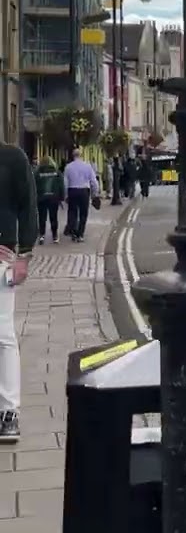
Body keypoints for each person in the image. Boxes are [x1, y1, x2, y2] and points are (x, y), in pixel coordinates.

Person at [0, 140, 37, 443]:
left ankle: (9, 412)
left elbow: (27, 206)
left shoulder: (11, 157)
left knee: (2, 336)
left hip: (1, 259)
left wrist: (23, 255)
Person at [63, 149, 99, 244]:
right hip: (84, 191)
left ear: (73, 156)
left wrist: (65, 195)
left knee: (72, 212)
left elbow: (65, 183)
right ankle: (80, 234)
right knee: (83, 213)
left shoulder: (68, 167)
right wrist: (95, 193)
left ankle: (74, 231)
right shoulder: (87, 166)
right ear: (81, 155)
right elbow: (94, 181)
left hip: (72, 190)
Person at [33, 156, 63, 245]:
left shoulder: (37, 172)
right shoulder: (57, 172)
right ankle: (54, 236)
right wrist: (61, 197)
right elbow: (61, 184)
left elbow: (34, 185)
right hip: (54, 198)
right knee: (53, 217)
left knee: (42, 218)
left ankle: (42, 235)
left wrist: (34, 197)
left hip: (41, 198)